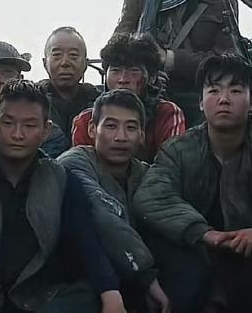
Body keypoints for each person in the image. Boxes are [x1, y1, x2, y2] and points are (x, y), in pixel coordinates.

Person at [0, 80, 127, 313]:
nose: (17, 134)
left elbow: (85, 238)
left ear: (46, 131)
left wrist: (110, 292)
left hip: (38, 296)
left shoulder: (61, 179)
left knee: (89, 296)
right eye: (8, 123)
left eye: (29, 125)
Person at [133, 54, 252, 312]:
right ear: (200, 101)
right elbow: (151, 197)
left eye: (235, 90)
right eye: (214, 90)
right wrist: (205, 234)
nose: (224, 99)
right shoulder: (179, 149)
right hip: (202, 258)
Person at [58, 89, 171, 312]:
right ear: (92, 129)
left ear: (142, 135)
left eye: (131, 128)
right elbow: (104, 217)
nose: (121, 137)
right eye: (110, 126)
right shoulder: (74, 163)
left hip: (133, 275)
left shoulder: (146, 174)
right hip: (82, 276)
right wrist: (147, 278)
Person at [72, 33, 185, 162]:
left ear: (152, 77)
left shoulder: (167, 114)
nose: (123, 79)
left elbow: (171, 165)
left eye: (133, 71)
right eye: (115, 71)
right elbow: (81, 167)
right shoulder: (86, 121)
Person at [37, 26, 100, 139]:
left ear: (85, 64)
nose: (65, 62)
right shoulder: (31, 101)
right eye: (57, 55)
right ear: (45, 63)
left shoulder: (99, 105)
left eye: (73, 55)